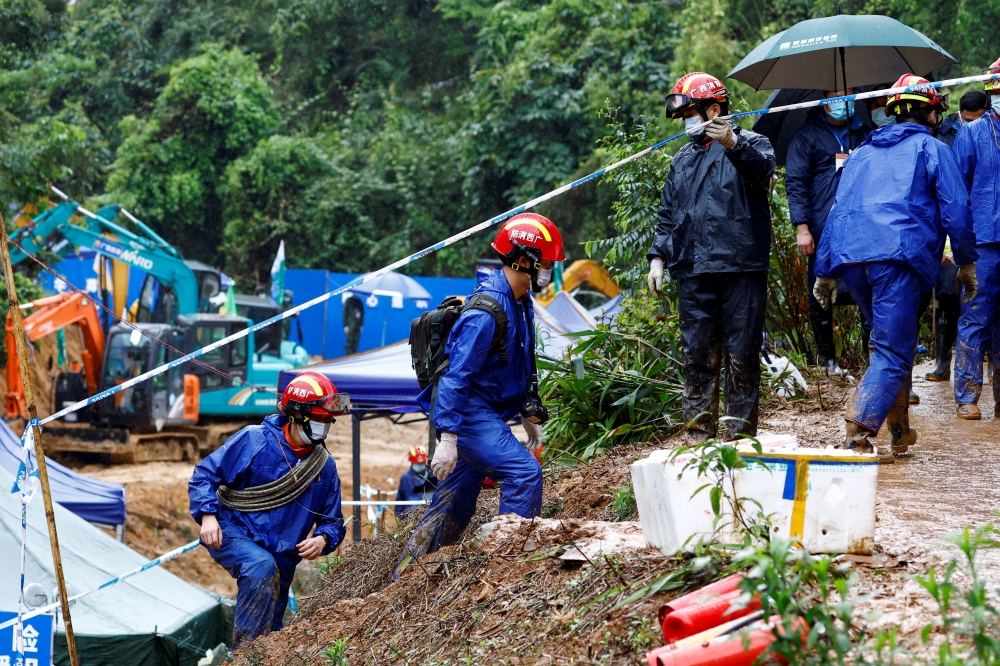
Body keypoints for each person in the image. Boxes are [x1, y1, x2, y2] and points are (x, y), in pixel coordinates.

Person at [814, 74, 978, 455]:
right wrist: (967, 263)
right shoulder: (932, 149)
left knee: (890, 341)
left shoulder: (861, 155)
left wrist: (824, 270)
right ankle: (857, 430)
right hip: (897, 258)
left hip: (854, 260)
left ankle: (900, 429)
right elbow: (957, 210)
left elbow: (835, 213)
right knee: (892, 348)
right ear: (931, 113)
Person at [393, 213, 560, 577]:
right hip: (468, 414)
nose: (550, 270)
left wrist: (526, 415)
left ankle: (408, 574)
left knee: (455, 500)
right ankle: (507, 568)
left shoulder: (520, 302)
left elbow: (511, 367)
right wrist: (449, 438)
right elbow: (456, 378)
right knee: (524, 473)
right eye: (546, 263)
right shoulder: (486, 311)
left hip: (485, 412)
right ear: (525, 259)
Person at [646, 72, 775, 443]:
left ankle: (738, 439)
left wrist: (733, 143)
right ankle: (697, 436)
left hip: (741, 267)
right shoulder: (683, 159)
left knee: (742, 354)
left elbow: (763, 171)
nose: (686, 121)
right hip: (694, 269)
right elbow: (668, 214)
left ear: (713, 110)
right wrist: (658, 256)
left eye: (690, 113)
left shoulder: (753, 143)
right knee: (697, 355)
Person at [189, 371, 349, 647]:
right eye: (319, 419)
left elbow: (333, 520)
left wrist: (323, 538)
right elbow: (204, 475)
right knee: (259, 566)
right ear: (297, 415)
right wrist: (207, 516)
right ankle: (245, 658)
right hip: (234, 532)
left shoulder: (324, 466)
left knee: (272, 632)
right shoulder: (254, 440)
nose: (324, 426)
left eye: (328, 421)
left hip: (283, 558)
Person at [785, 89, 872, 375]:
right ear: (823, 99)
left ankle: (870, 357)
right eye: (835, 94)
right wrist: (802, 228)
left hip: (862, 227)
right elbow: (796, 184)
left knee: (867, 291)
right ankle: (828, 361)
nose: (842, 99)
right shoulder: (806, 136)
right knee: (820, 291)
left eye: (847, 93)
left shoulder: (863, 131)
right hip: (822, 229)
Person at [952, 58, 1000, 419]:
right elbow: (956, 190)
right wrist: (956, 242)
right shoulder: (971, 133)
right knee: (976, 314)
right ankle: (967, 396)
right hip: (983, 239)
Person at [395, 445, 437, 520]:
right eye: (417, 464)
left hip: (431, 514)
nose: (419, 466)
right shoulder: (406, 478)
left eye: (421, 463)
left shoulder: (432, 475)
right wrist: (400, 517)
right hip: (411, 515)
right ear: (412, 463)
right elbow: (400, 500)